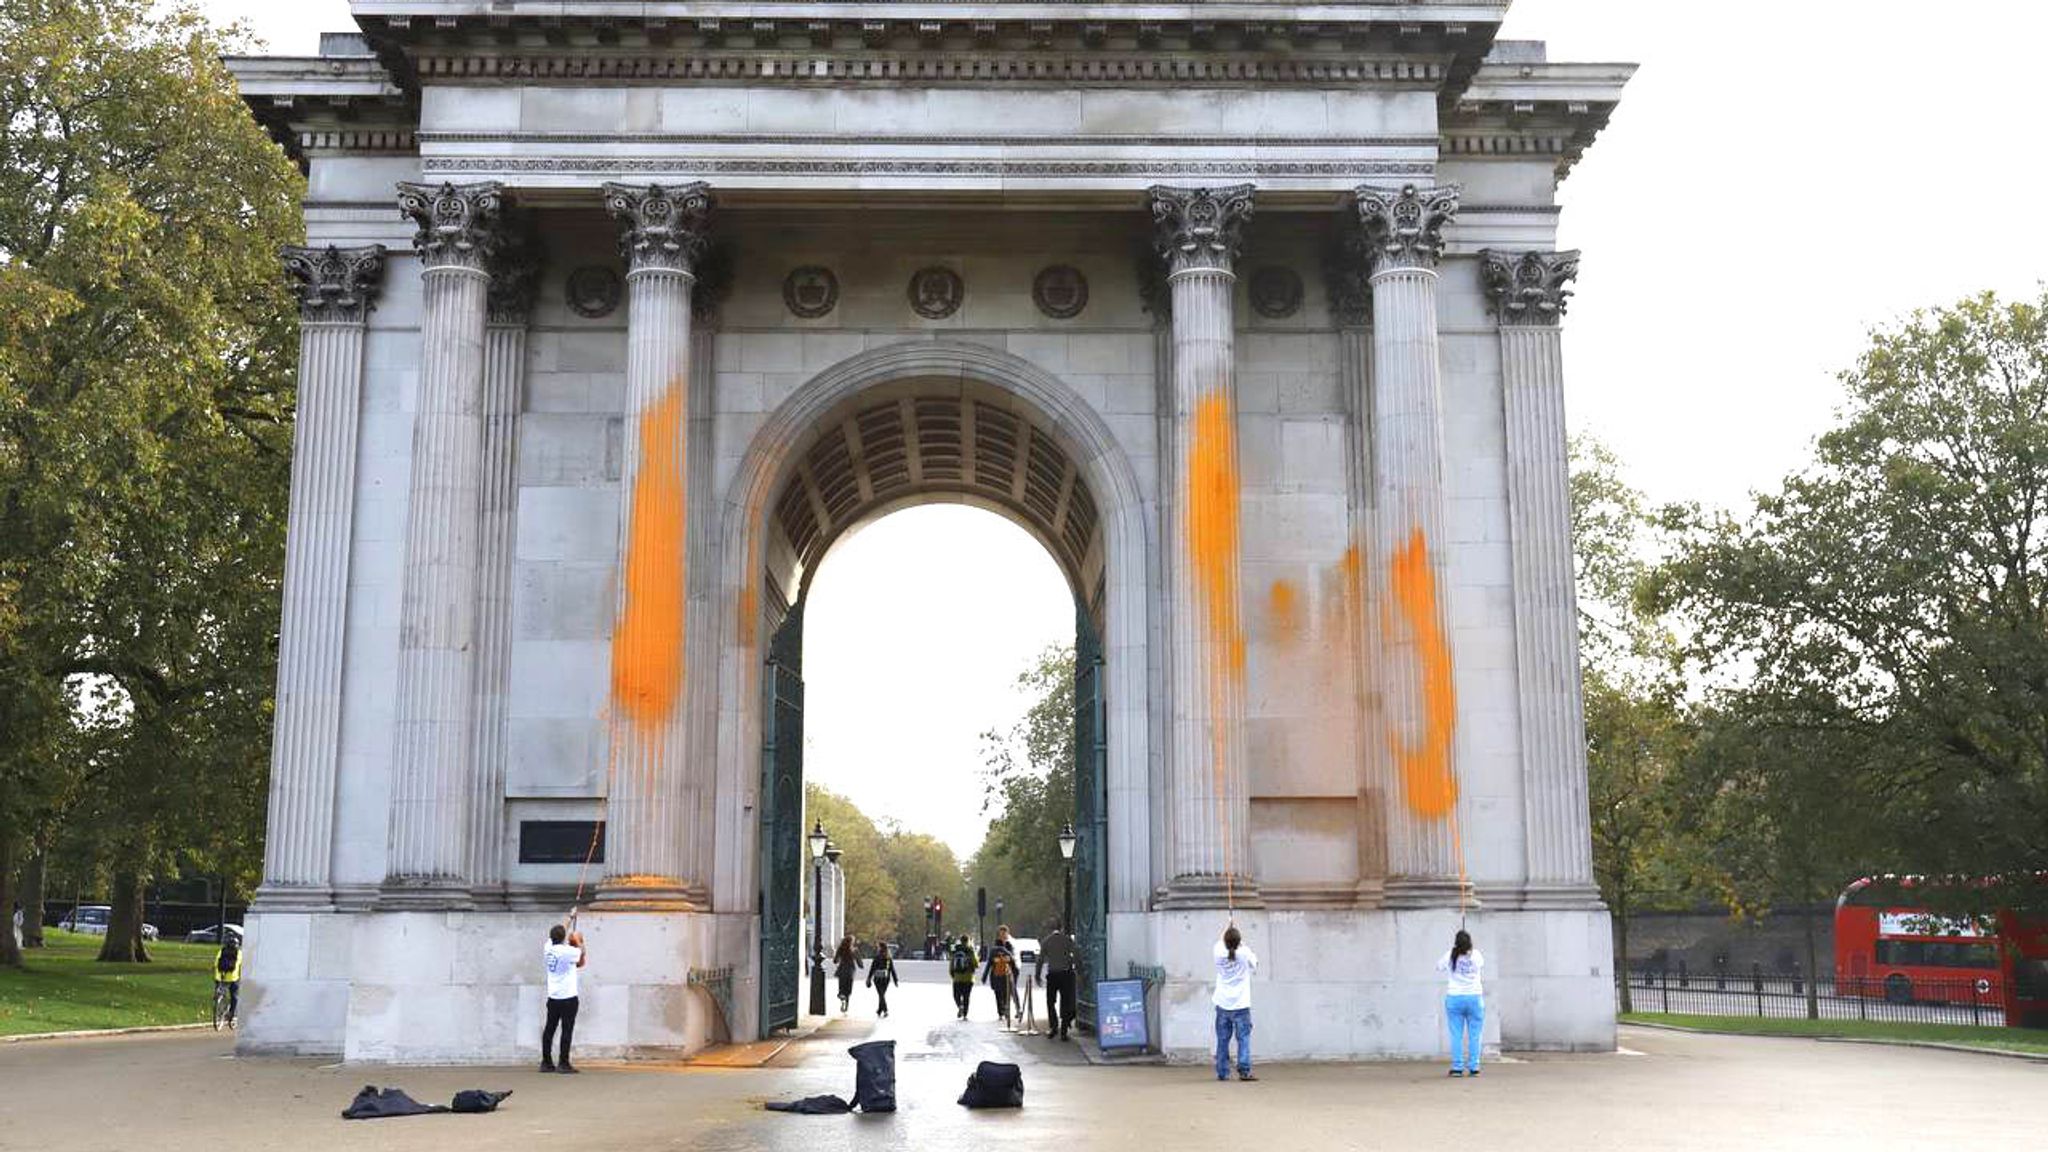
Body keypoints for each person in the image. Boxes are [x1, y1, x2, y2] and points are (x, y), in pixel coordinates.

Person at [1213, 922, 1257, 1082]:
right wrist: (1241, 941)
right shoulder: (1244, 953)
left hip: (1223, 1002)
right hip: (1241, 1004)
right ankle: (1244, 1070)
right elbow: (1255, 963)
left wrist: (1227, 927)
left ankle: (1222, 1071)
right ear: (1239, 942)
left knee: (1222, 1039)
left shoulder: (1218, 952)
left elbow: (1221, 942)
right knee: (1243, 1038)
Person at [1438, 929, 1485, 1077]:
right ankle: (1474, 1067)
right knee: (1475, 1034)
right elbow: (1481, 965)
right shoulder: (1477, 955)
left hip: (1455, 997)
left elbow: (1438, 966)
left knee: (1456, 1034)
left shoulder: (1450, 955)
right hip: (1474, 998)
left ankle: (1457, 1067)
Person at [542, 923, 588, 1073]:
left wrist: (569, 918)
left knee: (549, 1029)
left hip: (553, 996)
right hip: (568, 997)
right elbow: (582, 953)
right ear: (563, 938)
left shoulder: (548, 948)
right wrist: (578, 940)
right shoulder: (568, 951)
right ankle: (563, 1063)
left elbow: (559, 932)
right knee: (566, 1030)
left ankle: (546, 1062)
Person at [1035, 918, 1078, 1040]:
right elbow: (1075, 954)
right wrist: (1077, 968)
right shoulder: (1067, 940)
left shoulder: (1046, 941)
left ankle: (1053, 1027)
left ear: (1050, 929)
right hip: (1066, 974)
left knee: (1050, 1001)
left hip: (1052, 975)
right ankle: (1064, 1031)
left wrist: (1037, 975)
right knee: (1065, 1001)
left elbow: (1040, 960)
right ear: (1061, 927)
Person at [982, 925, 1019, 1029]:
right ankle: (1001, 1012)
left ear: (1007, 934)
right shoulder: (995, 948)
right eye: (1001, 933)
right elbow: (989, 963)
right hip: (996, 975)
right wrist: (985, 976)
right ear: (999, 934)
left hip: (1006, 975)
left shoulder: (1009, 946)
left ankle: (1007, 1010)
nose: (1003, 935)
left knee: (1006, 994)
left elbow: (1013, 962)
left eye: (1005, 933)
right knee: (998, 994)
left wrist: (1015, 973)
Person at [213, 936, 244, 1027]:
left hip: (220, 977)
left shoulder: (221, 951)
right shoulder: (239, 953)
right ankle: (232, 1015)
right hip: (232, 978)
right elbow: (242, 965)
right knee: (234, 996)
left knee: (220, 989)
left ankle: (218, 996)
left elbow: (216, 964)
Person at [948, 934, 978, 1019]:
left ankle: (960, 1006)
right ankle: (965, 1014)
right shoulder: (970, 950)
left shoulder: (956, 950)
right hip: (969, 978)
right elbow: (976, 964)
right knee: (966, 996)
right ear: (968, 941)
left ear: (960, 941)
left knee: (956, 995)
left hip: (957, 978)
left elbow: (951, 964)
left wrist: (953, 975)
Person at [867, 941, 896, 1018]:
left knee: (881, 994)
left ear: (880, 948)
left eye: (878, 947)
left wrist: (869, 978)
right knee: (881, 994)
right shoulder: (888, 957)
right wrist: (895, 980)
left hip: (878, 978)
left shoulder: (877, 957)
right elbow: (892, 969)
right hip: (886, 979)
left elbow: (872, 968)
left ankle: (885, 1010)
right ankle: (880, 1010)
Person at [833, 936, 862, 1014]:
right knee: (848, 991)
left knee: (841, 988)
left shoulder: (840, 949)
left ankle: (841, 998)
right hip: (850, 972)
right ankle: (846, 1007)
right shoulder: (855, 950)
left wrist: (839, 959)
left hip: (842, 971)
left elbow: (835, 961)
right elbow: (859, 962)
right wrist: (861, 965)